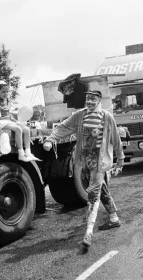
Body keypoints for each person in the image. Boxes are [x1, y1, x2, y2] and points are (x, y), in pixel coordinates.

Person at [43, 90, 125, 248]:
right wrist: (51, 139)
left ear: (99, 100)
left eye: (93, 99)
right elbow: (64, 127)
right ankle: (114, 218)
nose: (90, 102)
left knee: (93, 194)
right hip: (84, 162)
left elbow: (116, 138)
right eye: (88, 99)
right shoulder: (80, 115)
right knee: (102, 189)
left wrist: (120, 158)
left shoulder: (107, 117)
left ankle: (88, 233)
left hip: (99, 163)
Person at [0, 80, 40, 162]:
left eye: (7, 92)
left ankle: (28, 152)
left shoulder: (6, 100)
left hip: (8, 121)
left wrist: (16, 121)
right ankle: (21, 153)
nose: (5, 94)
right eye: (3, 92)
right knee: (18, 129)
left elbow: (8, 114)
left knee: (26, 129)